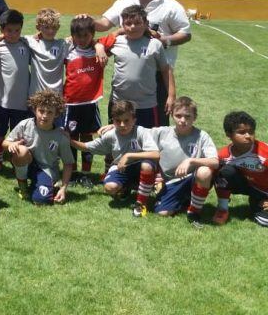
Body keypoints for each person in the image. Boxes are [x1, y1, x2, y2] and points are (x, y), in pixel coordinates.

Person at [93, 0, 191, 126]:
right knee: (119, 126)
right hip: (126, 80)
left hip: (157, 75)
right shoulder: (125, 1)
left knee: (155, 128)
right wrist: (86, 22)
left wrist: (163, 41)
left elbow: (186, 34)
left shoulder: (170, 5)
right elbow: (104, 24)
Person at [71, 100, 160, 217]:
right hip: (121, 168)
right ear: (113, 121)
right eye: (118, 121)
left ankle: (141, 202)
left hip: (140, 166)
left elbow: (156, 154)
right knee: (109, 187)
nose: (122, 125)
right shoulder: (111, 135)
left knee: (147, 165)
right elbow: (87, 147)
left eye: (126, 121)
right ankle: (126, 187)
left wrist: (129, 156)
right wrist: (67, 140)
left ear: (134, 120)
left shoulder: (141, 132)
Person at [100, 5, 176, 128]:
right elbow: (92, 44)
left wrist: (171, 96)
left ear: (146, 23)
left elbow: (166, 70)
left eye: (137, 23)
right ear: (122, 25)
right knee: (119, 141)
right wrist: (99, 47)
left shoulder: (155, 44)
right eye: (128, 23)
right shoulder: (115, 42)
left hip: (147, 105)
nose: (133, 27)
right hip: (119, 103)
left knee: (147, 142)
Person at [150, 97, 218, 227]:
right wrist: (115, 126)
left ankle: (194, 212)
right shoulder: (162, 132)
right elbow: (137, 133)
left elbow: (215, 162)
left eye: (187, 116)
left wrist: (191, 161)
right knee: (162, 213)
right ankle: (186, 199)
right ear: (172, 115)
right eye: (178, 116)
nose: (182, 120)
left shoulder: (202, 136)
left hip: (192, 179)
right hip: (172, 181)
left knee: (204, 171)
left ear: (194, 117)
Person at [3, 90, 74, 205]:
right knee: (21, 151)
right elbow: (5, 143)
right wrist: (11, 144)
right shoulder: (25, 124)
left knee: (41, 201)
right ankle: (23, 187)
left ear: (56, 114)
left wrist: (63, 188)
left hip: (46, 170)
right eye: (41, 111)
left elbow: (68, 163)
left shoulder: (61, 136)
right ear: (34, 110)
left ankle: (43, 184)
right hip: (27, 162)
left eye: (50, 112)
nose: (44, 116)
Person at [63, 16, 107, 187]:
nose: (82, 40)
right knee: (70, 137)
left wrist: (98, 45)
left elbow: (116, 34)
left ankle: (86, 174)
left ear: (92, 34)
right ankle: (72, 172)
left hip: (90, 103)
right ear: (72, 36)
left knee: (88, 137)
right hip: (70, 103)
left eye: (86, 36)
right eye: (78, 36)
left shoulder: (98, 50)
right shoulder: (67, 50)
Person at [213, 111, 268, 227]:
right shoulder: (223, 155)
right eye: (242, 132)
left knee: (263, 221)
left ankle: (258, 203)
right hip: (250, 186)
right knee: (223, 171)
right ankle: (223, 209)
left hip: (265, 191)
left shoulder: (264, 153)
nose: (248, 136)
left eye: (251, 132)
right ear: (229, 134)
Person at [0, 9, 31, 155]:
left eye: (17, 30)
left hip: (21, 102)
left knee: (19, 133)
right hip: (0, 100)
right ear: (2, 29)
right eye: (9, 30)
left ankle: (16, 158)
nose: (13, 34)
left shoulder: (26, 44)